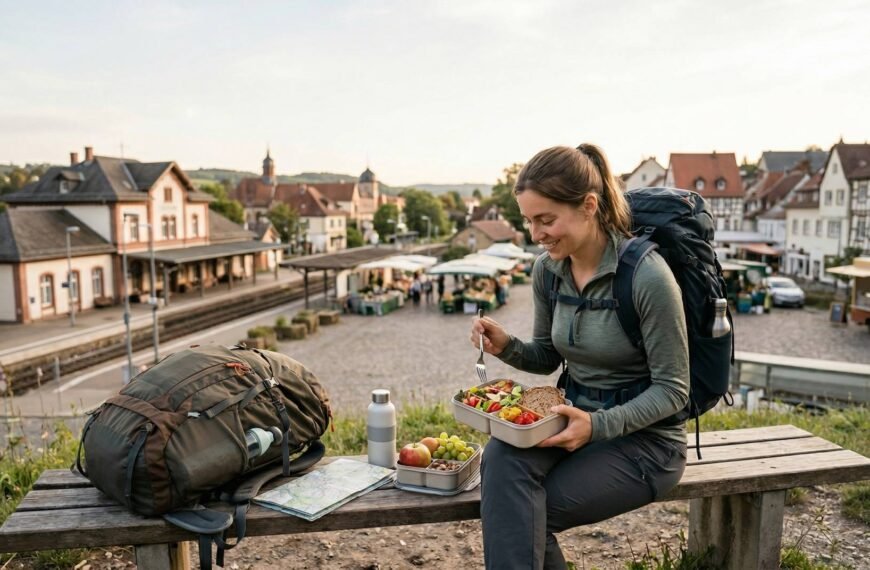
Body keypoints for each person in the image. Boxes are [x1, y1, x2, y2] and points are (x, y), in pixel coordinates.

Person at [470, 144, 689, 570]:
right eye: (528, 221)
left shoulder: (648, 278)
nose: (535, 234)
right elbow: (547, 356)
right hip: (569, 422)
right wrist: (506, 345)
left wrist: (598, 425)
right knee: (500, 457)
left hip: (647, 442)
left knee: (521, 516)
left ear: (588, 206)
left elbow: (674, 389)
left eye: (546, 219)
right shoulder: (548, 271)